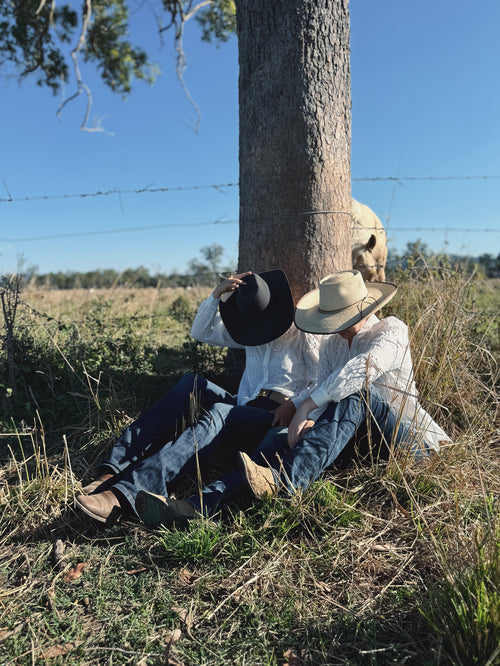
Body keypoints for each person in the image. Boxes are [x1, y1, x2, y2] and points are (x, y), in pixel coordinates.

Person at [135, 269, 450, 526]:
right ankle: (198, 507)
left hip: (405, 444)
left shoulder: (391, 331)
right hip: (353, 440)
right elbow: (324, 385)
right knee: (278, 438)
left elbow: (359, 373)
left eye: (340, 318)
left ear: (362, 309)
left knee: (361, 395)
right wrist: (308, 417)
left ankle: (285, 485)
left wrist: (306, 406)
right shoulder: (333, 343)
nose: (336, 328)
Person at [74, 269, 319, 524]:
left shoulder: (303, 332)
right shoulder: (249, 329)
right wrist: (215, 296)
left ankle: (124, 494)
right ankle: (114, 469)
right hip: (242, 405)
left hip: (273, 416)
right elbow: (201, 332)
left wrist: (294, 404)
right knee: (191, 384)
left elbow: (321, 380)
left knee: (221, 414)